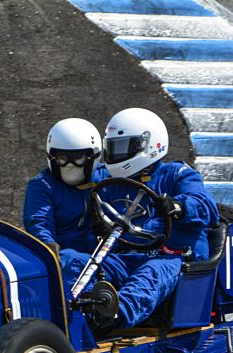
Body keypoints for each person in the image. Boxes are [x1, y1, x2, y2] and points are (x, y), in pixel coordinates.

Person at [62, 107, 219, 330]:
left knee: (151, 273)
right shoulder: (110, 182)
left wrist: (177, 206)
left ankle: (111, 318)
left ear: (148, 144)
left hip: (175, 259)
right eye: (113, 148)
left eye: (124, 147)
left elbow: (206, 208)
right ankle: (71, 310)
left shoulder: (176, 173)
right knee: (70, 259)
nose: (116, 155)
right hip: (129, 256)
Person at [22, 118, 106, 269]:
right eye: (63, 158)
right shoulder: (41, 186)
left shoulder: (107, 178)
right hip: (65, 263)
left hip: (105, 259)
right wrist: (49, 247)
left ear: (93, 157)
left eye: (78, 158)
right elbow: (39, 222)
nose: (70, 165)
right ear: (52, 157)